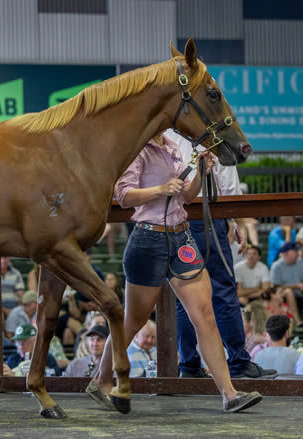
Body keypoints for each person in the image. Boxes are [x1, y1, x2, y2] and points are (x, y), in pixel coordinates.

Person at [93, 133, 262, 413]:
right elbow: (123, 196)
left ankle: (230, 394)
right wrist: (160, 189)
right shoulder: (136, 148)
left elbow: (185, 196)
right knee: (134, 320)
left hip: (181, 237)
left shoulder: (170, 146)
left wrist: (200, 173)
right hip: (148, 238)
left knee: (205, 315)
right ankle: (101, 379)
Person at [168, 129, 276, 380]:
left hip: (174, 218)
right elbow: (227, 183)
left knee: (184, 294)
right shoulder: (211, 133)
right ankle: (238, 362)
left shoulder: (165, 133)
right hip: (205, 216)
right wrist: (237, 221)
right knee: (223, 289)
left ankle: (189, 366)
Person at [269, 241, 303, 327]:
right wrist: (296, 286)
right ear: (286, 254)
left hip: (299, 294)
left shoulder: (300, 262)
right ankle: (298, 322)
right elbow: (274, 287)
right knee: (288, 291)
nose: (298, 253)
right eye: (295, 251)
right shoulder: (276, 266)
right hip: (282, 296)